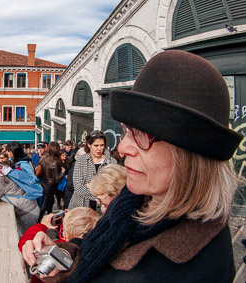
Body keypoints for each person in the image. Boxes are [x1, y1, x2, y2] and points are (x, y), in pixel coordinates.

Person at [21, 50, 243, 282]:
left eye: (142, 134)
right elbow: (99, 243)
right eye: (127, 129)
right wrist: (64, 252)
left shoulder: (179, 269)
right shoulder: (135, 202)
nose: (124, 147)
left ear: (188, 154)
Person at [68, 130, 116, 210]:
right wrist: (99, 196)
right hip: (80, 206)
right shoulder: (81, 160)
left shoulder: (112, 162)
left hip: (103, 209)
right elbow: (78, 187)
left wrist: (89, 185)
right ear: (89, 145)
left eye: (102, 145)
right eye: (96, 145)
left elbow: (111, 188)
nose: (99, 149)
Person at [37, 141, 64, 220]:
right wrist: (62, 173)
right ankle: (38, 221)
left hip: (43, 183)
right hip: (50, 187)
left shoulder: (45, 158)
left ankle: (49, 218)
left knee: (49, 204)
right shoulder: (55, 162)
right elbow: (55, 179)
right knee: (45, 206)